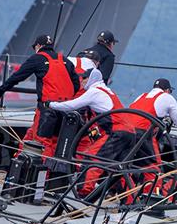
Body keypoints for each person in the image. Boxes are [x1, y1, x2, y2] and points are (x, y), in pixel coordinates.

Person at [49, 68, 135, 196]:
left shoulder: (94, 91)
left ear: (92, 78)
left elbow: (72, 105)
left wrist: (51, 105)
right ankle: (129, 199)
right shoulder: (106, 90)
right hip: (129, 133)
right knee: (119, 168)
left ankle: (83, 193)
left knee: (92, 159)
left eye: (84, 78)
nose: (81, 80)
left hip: (116, 132)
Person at [0, 34, 79, 162]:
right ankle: (20, 167)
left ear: (39, 46)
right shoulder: (66, 61)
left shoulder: (37, 58)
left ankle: (40, 176)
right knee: (46, 140)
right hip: (66, 110)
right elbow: (76, 83)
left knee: (42, 143)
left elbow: (17, 77)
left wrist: (0, 91)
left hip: (47, 111)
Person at [129, 78, 177, 186]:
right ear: (167, 90)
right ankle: (150, 195)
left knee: (125, 163)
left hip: (126, 131)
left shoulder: (141, 96)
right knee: (153, 166)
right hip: (143, 135)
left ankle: (117, 191)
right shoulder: (167, 97)